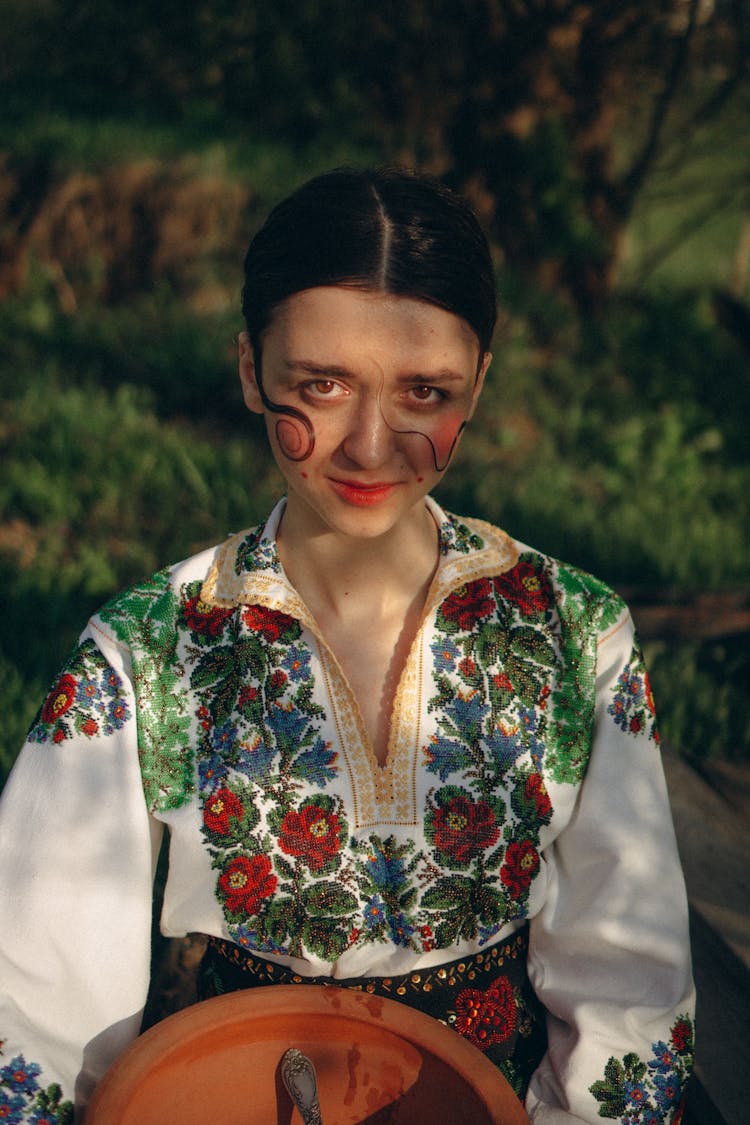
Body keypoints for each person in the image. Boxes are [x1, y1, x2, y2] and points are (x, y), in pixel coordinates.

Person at [0, 167, 694, 1124]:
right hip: (229, 1097)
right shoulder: (147, 648)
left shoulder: (572, 632)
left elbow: (628, 977)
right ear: (251, 370)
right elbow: (34, 1003)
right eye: (320, 386)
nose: (372, 444)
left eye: (425, 390)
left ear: (480, 382)